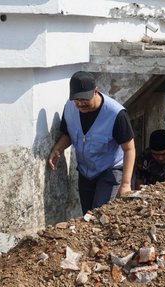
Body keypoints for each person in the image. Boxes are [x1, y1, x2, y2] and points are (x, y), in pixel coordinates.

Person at [48, 71, 135, 215]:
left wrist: (125, 184)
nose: (81, 104)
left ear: (96, 91)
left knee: (100, 214)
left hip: (110, 170)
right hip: (86, 172)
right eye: (77, 100)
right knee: (88, 216)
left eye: (84, 99)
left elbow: (129, 149)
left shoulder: (116, 114)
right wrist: (58, 148)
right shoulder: (70, 107)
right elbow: (69, 134)